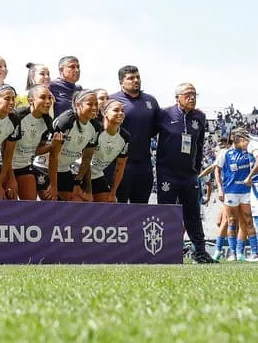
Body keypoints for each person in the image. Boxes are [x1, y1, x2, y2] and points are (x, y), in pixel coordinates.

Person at [156, 82, 216, 263]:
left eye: (194, 94)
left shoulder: (200, 117)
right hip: (167, 173)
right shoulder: (163, 114)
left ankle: (199, 252)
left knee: (193, 214)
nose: (192, 97)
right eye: (188, 94)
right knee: (166, 213)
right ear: (177, 98)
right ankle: (167, 251)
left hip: (189, 175)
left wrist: (196, 169)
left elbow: (199, 144)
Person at [109, 65, 160, 204]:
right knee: (119, 207)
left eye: (137, 77)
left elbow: (157, 126)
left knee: (141, 208)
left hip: (144, 163)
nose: (135, 80)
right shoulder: (112, 100)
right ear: (121, 82)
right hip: (119, 163)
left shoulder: (151, 101)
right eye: (131, 78)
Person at [40, 90, 98, 203]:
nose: (95, 107)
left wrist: (77, 182)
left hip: (64, 169)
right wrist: (53, 185)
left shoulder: (94, 127)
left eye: (96, 104)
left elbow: (86, 159)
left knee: (75, 205)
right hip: (45, 167)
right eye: (90, 104)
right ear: (78, 105)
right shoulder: (66, 121)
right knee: (52, 203)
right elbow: (53, 155)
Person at [215, 128, 258, 261]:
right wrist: (220, 189)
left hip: (246, 192)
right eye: (245, 140)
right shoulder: (225, 153)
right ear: (238, 140)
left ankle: (253, 252)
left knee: (248, 221)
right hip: (231, 192)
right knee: (231, 222)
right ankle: (232, 253)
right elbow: (216, 170)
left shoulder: (249, 152)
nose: (247, 143)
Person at [78, 99, 129, 203]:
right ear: (104, 113)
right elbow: (86, 162)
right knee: (83, 203)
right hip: (78, 173)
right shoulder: (95, 130)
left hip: (96, 174)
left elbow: (120, 166)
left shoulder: (125, 137)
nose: (120, 113)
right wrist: (88, 191)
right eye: (116, 110)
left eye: (122, 111)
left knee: (110, 204)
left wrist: (113, 192)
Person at [12, 85, 56, 200]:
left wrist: (52, 146)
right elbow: (4, 148)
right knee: (7, 205)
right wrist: (9, 177)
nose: (47, 102)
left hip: (25, 166)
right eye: (43, 97)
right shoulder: (17, 116)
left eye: (49, 98)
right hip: (5, 166)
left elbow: (36, 150)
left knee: (30, 206)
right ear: (30, 100)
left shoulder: (47, 122)